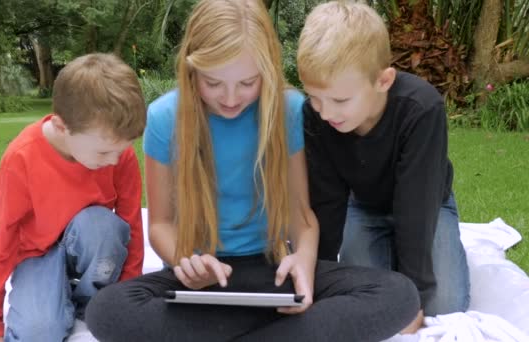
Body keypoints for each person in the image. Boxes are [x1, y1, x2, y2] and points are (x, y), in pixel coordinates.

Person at [85, 1, 419, 341]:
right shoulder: (164, 117)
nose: (230, 98)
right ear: (191, 70)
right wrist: (186, 261)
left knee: (399, 294)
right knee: (107, 308)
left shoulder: (288, 110)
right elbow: (160, 224)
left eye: (247, 82)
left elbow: (300, 216)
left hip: (271, 272)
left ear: (267, 70)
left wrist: (303, 260)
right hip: (202, 280)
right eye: (213, 83)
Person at [297, 0, 470, 324]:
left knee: (443, 304)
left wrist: (414, 298)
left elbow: (416, 209)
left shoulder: (421, 109)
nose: (326, 113)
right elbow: (326, 200)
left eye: (340, 100)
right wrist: (318, 278)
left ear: (384, 81)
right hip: (363, 207)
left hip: (429, 206)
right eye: (315, 98)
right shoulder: (316, 116)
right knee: (369, 300)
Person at [0, 53, 146, 342]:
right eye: (104, 153)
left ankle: (91, 301)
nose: (116, 160)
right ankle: (59, 301)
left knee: (103, 227)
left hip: (90, 248)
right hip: (36, 256)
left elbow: (132, 225)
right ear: (62, 127)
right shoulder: (21, 158)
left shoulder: (117, 152)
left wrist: (128, 296)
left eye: (122, 149)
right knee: (37, 332)